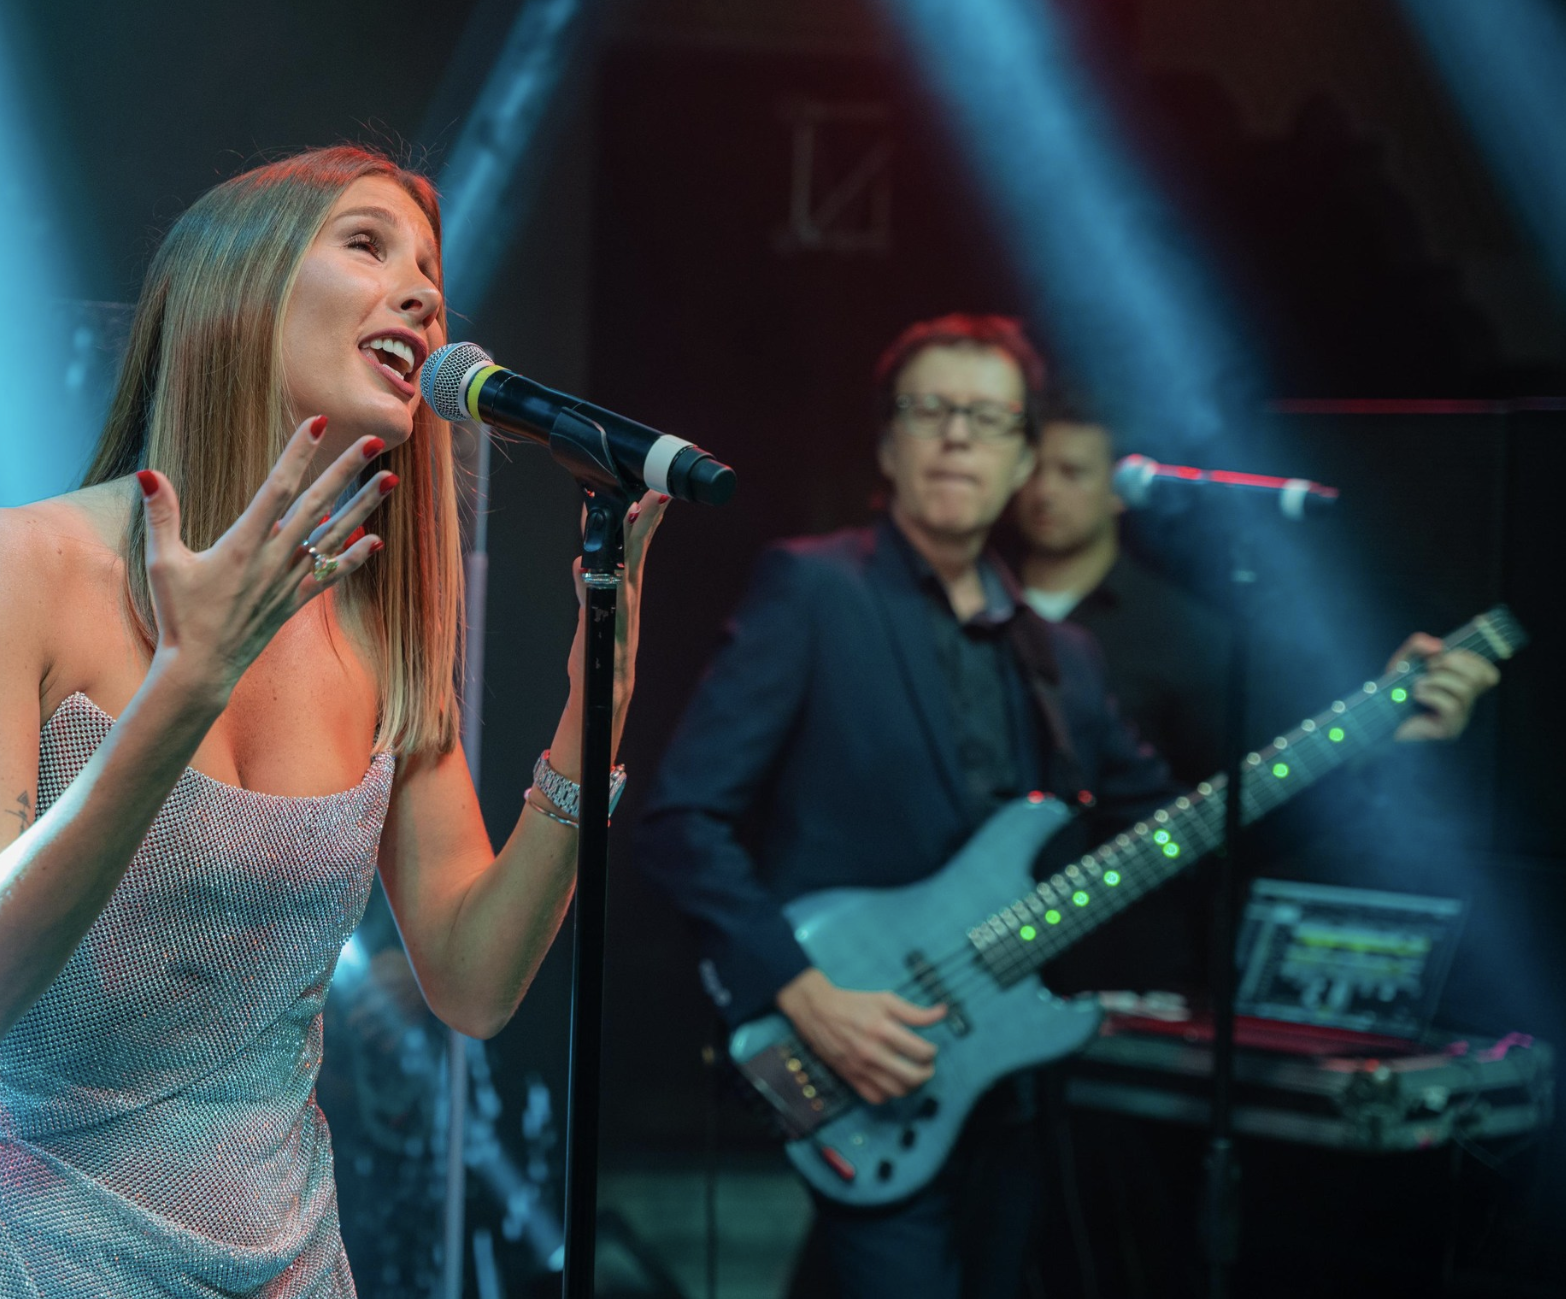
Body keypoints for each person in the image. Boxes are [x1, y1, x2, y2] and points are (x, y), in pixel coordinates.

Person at [0, 146, 668, 1298]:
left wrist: (593, 718)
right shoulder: (16, 562)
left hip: (280, 1259)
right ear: (240, 286)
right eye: (367, 245)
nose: (423, 296)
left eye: (430, 272)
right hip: (13, 1245)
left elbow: (473, 980)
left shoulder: (380, 623)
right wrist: (186, 687)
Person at [634, 314, 1497, 1299]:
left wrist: (1372, 744)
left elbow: (1189, 834)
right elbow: (682, 821)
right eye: (930, 409)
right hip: (853, 1044)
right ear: (886, 443)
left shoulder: (1065, 659)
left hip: (1011, 1083)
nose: (957, 436)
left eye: (988, 417)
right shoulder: (814, 588)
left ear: (1022, 461)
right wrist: (801, 990)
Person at [1010, 386, 1227, 785]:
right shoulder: (974, 596)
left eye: (1072, 473)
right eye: (1033, 469)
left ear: (1120, 491)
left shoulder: (1183, 632)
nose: (1044, 492)